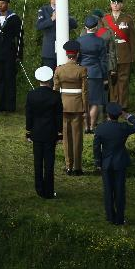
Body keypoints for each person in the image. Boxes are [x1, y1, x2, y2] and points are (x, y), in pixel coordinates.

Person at [93, 103, 135, 225]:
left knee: (108, 190)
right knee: (120, 191)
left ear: (108, 114)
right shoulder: (123, 127)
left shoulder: (100, 128)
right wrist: (128, 116)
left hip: (106, 163)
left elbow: (96, 147)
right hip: (120, 162)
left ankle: (110, 216)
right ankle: (120, 218)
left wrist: (98, 162)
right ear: (119, 115)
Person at [25, 66, 63, 199]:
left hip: (36, 132)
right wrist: (60, 133)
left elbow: (29, 116)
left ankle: (39, 188)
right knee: (49, 163)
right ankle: (49, 190)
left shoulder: (31, 95)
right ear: (50, 79)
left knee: (37, 162)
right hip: (50, 132)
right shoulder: (55, 96)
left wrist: (28, 132)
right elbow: (59, 116)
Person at [53, 40, 88, 176]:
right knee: (77, 137)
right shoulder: (82, 70)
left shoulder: (59, 69)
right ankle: (78, 167)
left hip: (63, 106)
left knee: (66, 138)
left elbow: (55, 91)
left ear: (67, 55)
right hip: (78, 107)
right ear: (77, 54)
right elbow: (85, 92)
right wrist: (85, 109)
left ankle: (68, 166)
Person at [0, 0, 23, 112]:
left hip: (10, 53)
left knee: (10, 79)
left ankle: (11, 106)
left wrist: (19, 54)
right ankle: (1, 105)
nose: (0, 5)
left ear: (7, 4)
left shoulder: (14, 18)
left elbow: (20, 38)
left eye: (2, 3)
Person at [102, 0, 135, 108]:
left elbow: (132, 38)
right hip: (110, 54)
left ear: (121, 4)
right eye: (113, 3)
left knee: (123, 80)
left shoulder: (128, 19)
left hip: (124, 54)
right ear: (110, 4)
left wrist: (132, 55)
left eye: (117, 3)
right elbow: (102, 38)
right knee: (112, 81)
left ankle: (123, 105)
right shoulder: (105, 19)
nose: (115, 5)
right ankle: (113, 104)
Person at [77, 15, 108, 134]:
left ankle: (85, 126)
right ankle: (91, 126)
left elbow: (77, 58)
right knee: (94, 102)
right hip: (96, 74)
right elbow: (103, 61)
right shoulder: (100, 41)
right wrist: (104, 76)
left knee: (84, 101)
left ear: (85, 27)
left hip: (82, 73)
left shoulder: (79, 41)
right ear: (96, 27)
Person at [36, 0, 78, 73]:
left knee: (63, 77)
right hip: (49, 51)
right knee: (49, 77)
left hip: (63, 51)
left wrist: (65, 16)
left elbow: (75, 25)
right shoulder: (44, 10)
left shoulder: (65, 9)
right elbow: (39, 26)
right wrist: (51, 19)